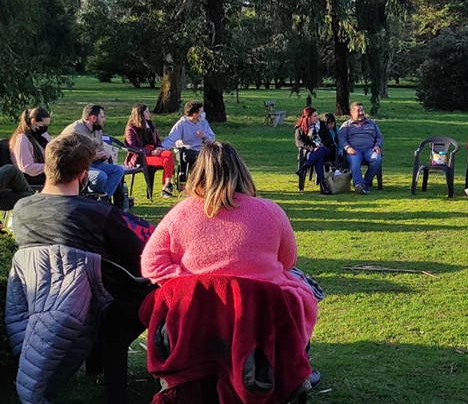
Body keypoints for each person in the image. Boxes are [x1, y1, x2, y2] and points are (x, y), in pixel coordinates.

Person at [6, 133, 154, 403]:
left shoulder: (21, 210)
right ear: (84, 175)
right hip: (103, 303)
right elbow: (145, 253)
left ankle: (98, 361)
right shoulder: (97, 214)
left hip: (43, 302)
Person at [141, 141, 318, 345]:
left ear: (199, 173)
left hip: (200, 309)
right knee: (300, 287)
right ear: (242, 170)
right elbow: (288, 261)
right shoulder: (271, 211)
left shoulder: (180, 213)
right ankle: (296, 361)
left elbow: (151, 263)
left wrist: (190, 283)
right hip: (262, 309)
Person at [61, 104, 126, 201]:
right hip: (79, 166)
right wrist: (91, 156)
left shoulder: (97, 129)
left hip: (95, 163)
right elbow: (70, 156)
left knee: (118, 170)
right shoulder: (74, 131)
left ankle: (102, 200)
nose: (104, 120)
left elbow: (100, 147)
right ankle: (92, 200)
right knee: (100, 176)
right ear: (93, 118)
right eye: (102, 117)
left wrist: (103, 154)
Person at [124, 103, 176, 198]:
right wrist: (150, 152)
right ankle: (166, 188)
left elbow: (157, 140)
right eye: (147, 112)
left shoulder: (150, 125)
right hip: (141, 156)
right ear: (140, 114)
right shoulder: (131, 128)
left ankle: (166, 184)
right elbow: (131, 147)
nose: (149, 114)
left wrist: (159, 147)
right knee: (168, 161)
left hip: (154, 151)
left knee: (168, 154)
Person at [339, 101, 384, 195]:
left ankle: (365, 184)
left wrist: (377, 146)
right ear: (351, 113)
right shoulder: (346, 125)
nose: (361, 113)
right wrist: (347, 148)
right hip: (354, 150)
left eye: (362, 110)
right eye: (358, 111)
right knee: (355, 161)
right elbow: (341, 139)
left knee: (377, 159)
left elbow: (379, 137)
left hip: (370, 150)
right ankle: (358, 184)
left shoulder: (372, 124)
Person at [295, 106, 335, 194]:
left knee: (320, 151)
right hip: (311, 152)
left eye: (317, 115)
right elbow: (299, 142)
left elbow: (329, 139)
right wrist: (313, 148)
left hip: (326, 150)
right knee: (318, 158)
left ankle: (305, 167)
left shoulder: (321, 125)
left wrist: (321, 145)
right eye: (314, 116)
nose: (317, 118)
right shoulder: (300, 128)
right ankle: (322, 185)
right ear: (308, 117)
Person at [9, 107, 52, 186]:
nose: (46, 128)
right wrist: (50, 167)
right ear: (33, 121)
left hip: (43, 173)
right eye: (44, 125)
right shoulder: (21, 139)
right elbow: (27, 167)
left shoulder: (43, 135)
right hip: (30, 178)